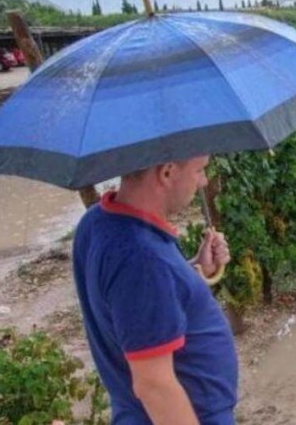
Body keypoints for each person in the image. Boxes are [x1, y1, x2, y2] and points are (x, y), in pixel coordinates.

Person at [72, 155, 238, 424]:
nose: (203, 181)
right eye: (199, 170)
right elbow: (154, 386)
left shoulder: (97, 222)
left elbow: (134, 302)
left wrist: (194, 270)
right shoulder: (143, 259)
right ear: (167, 172)